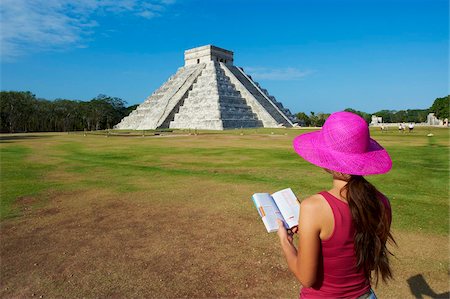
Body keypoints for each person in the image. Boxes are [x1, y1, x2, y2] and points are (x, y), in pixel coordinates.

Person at [277, 111, 395, 299]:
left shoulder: (313, 207)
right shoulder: (382, 203)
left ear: (326, 161)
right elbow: (369, 262)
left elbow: (306, 278)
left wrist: (285, 240)